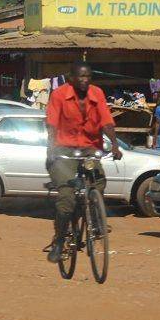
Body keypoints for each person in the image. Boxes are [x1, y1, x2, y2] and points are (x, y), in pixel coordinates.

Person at [44, 63, 123, 264]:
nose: (84, 80)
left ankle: (95, 220)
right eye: (80, 76)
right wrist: (51, 148)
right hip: (63, 149)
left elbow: (106, 121)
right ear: (71, 78)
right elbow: (52, 124)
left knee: (98, 181)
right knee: (67, 199)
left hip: (89, 147)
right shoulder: (59, 95)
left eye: (88, 76)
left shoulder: (97, 93)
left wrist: (115, 145)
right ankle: (59, 241)